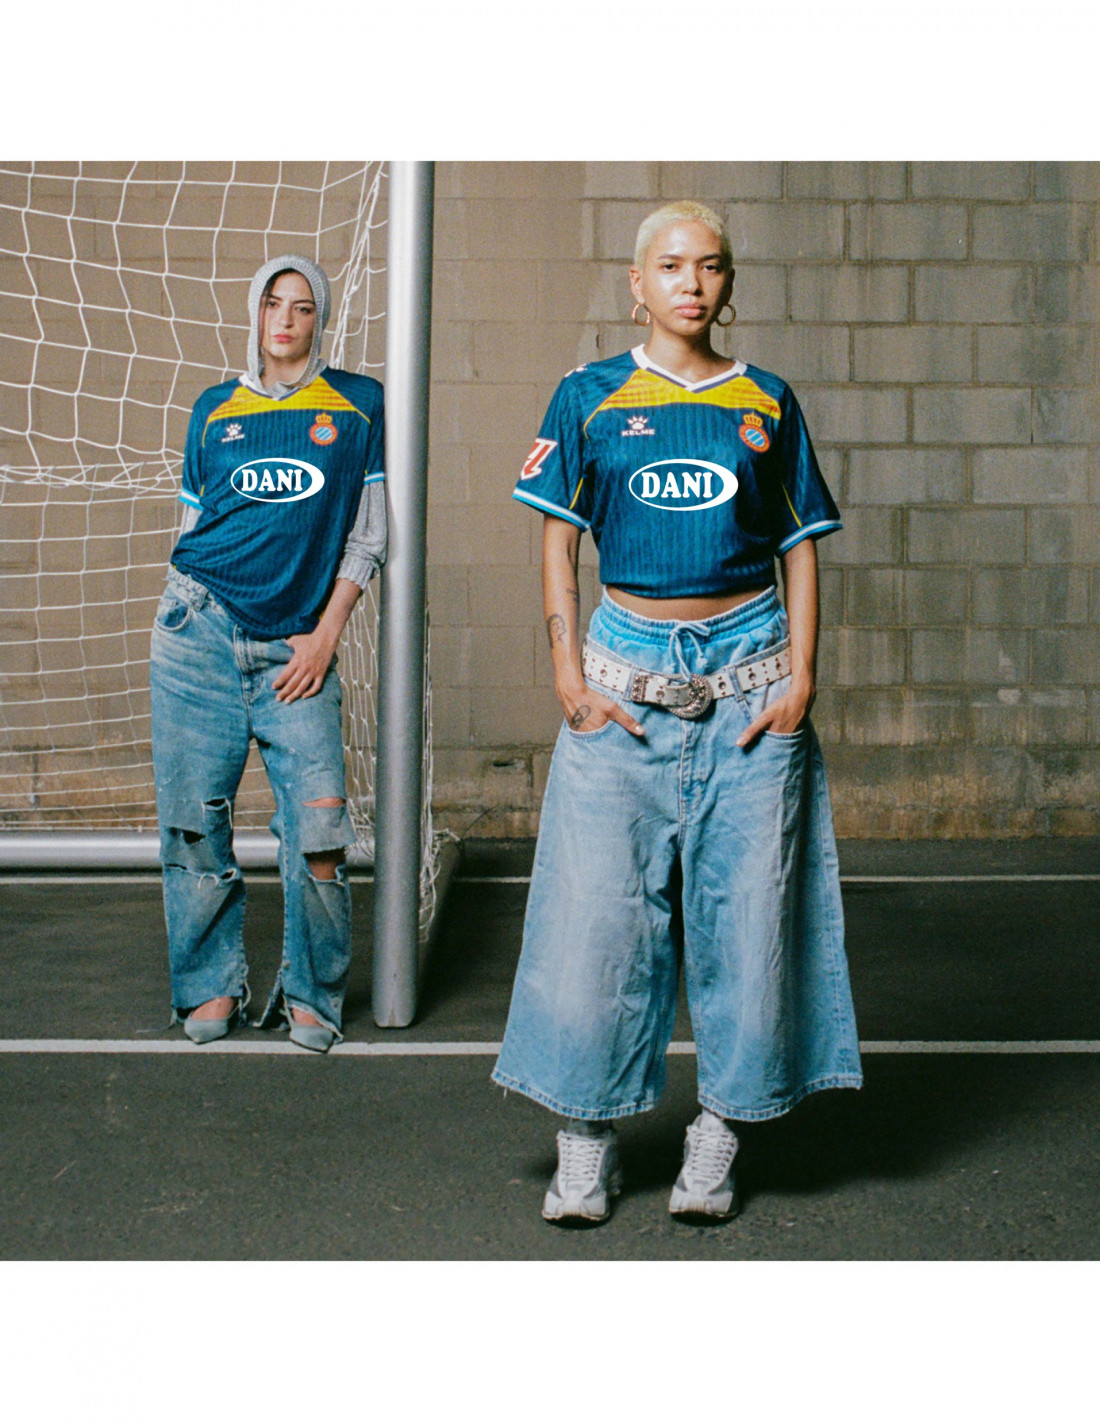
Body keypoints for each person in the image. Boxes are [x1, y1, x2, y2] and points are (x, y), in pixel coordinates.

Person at [492, 201, 862, 1223]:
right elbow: (557, 540)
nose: (690, 283)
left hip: (750, 683)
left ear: (727, 282)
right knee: (596, 923)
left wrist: (800, 680)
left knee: (750, 920)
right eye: (670, 266)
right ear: (636, 284)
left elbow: (799, 544)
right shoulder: (589, 396)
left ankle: (720, 1131)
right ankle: (584, 1139)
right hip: (623, 685)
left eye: (709, 265)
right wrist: (567, 675)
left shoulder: (765, 400)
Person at [150, 254, 386, 1053]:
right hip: (198, 632)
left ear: (321, 319)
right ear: (255, 313)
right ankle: (208, 985)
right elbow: (192, 528)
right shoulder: (213, 409)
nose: (285, 319)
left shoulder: (358, 405)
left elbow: (369, 535)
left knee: (319, 837)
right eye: (272, 304)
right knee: (194, 826)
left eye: (302, 306)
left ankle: (313, 994)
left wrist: (326, 636)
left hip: (296, 647)